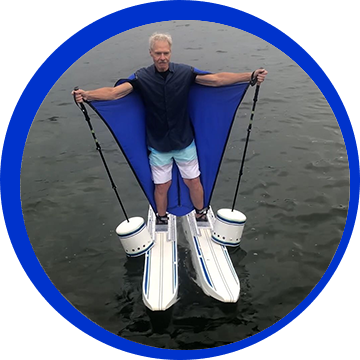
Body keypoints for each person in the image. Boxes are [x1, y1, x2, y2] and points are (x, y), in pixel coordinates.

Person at [73, 32, 268, 224]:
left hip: (184, 141)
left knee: (193, 181)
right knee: (161, 186)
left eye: (165, 53)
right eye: (158, 53)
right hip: (158, 145)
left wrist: (249, 76)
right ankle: (161, 217)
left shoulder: (185, 73)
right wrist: (87, 95)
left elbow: (216, 80)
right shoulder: (142, 77)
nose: (162, 57)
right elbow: (114, 93)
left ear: (170, 52)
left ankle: (200, 213)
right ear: (151, 53)